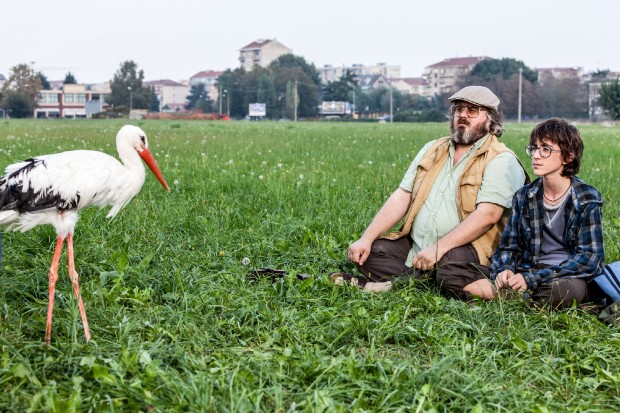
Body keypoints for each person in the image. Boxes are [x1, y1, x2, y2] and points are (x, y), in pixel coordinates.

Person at [330, 86, 527, 292]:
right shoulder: (433, 148)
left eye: (473, 110)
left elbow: (488, 215)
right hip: (420, 245)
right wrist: (366, 239)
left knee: (448, 266)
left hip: (469, 250)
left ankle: (384, 286)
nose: (463, 115)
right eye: (458, 109)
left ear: (491, 119)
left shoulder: (501, 159)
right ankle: (432, 282)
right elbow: (403, 195)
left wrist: (438, 249)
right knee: (369, 253)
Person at [441, 118, 605, 308]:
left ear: (568, 157)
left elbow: (590, 259)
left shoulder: (587, 197)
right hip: (524, 270)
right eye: (534, 148)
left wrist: (532, 278)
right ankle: (519, 298)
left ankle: (503, 297)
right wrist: (504, 270)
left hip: (563, 276)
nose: (536, 155)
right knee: (448, 273)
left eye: (545, 149)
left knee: (561, 292)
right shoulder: (524, 196)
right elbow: (508, 247)